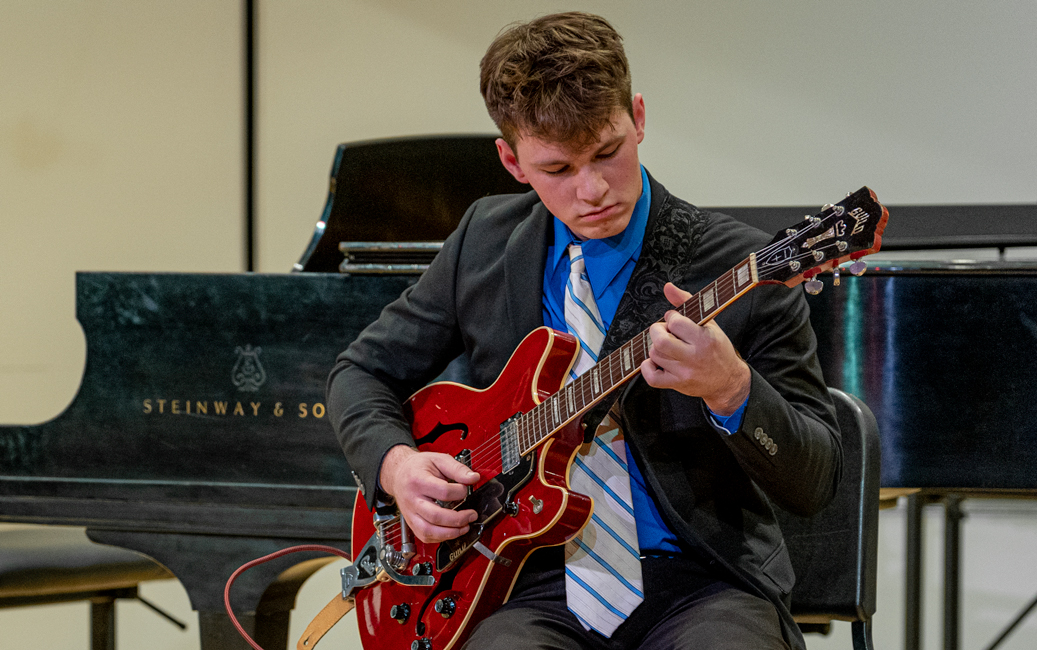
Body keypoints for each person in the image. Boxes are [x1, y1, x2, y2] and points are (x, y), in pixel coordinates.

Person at [327, 11, 841, 650]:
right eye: (558, 169)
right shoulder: (483, 243)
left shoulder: (737, 265)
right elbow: (359, 373)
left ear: (639, 119)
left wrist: (733, 389)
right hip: (528, 579)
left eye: (607, 152)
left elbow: (815, 478)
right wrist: (396, 466)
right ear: (511, 161)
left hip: (706, 582)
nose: (593, 189)